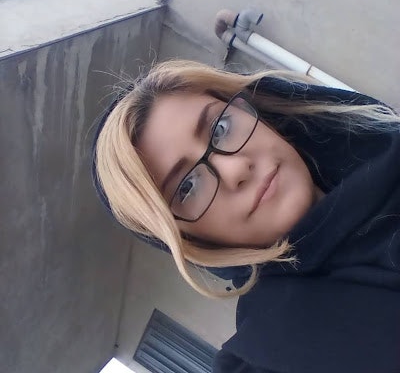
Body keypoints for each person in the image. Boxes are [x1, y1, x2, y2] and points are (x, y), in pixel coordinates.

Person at [92, 60, 400, 373]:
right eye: (187, 187)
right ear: (190, 240)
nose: (235, 169)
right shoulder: (268, 358)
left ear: (258, 114)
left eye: (220, 129)